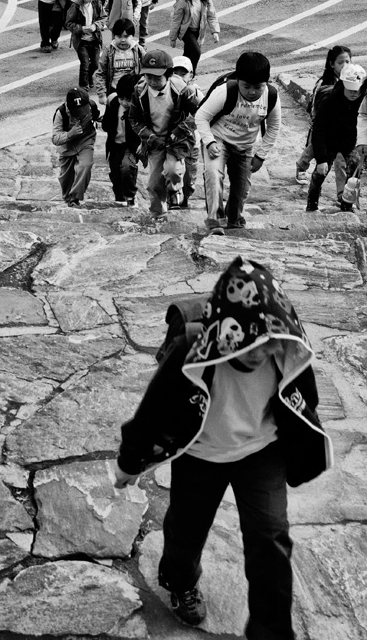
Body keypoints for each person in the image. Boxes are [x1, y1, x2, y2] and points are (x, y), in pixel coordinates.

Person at [114, 256, 333, 636]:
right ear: (224, 332)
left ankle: (271, 631)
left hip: (261, 450)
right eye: (247, 345)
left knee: (271, 537)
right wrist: (130, 462)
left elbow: (304, 402)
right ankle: (181, 582)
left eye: (266, 344)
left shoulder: (284, 351)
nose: (258, 353)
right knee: (185, 532)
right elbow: (153, 410)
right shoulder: (190, 352)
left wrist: (304, 451)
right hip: (201, 453)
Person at [195, 51, 281, 234]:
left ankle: (234, 222)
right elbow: (201, 116)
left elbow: (274, 127)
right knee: (213, 174)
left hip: (245, 146)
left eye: (258, 87)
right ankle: (216, 222)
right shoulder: (226, 91)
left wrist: (261, 155)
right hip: (219, 140)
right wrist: (209, 142)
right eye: (246, 86)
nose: (252, 92)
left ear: (266, 83)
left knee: (241, 190)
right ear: (238, 79)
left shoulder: (271, 96)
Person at [129, 48, 200, 215]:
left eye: (157, 77)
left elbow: (198, 113)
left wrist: (181, 130)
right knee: (153, 184)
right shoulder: (139, 92)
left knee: (172, 170)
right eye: (148, 76)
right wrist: (150, 137)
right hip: (154, 141)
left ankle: (176, 190)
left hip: (177, 139)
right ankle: (157, 213)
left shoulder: (181, 89)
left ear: (168, 75)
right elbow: (134, 120)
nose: (152, 81)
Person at [306, 63, 367, 213]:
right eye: (351, 90)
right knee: (319, 174)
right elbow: (319, 131)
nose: (354, 94)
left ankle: (347, 205)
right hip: (329, 142)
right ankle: (311, 205)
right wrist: (321, 159)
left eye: (357, 90)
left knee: (353, 176)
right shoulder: (329, 102)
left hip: (350, 143)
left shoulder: (362, 101)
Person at [295, 45, 351, 186]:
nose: (345, 66)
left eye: (348, 62)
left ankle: (340, 192)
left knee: (338, 159)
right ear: (332, 64)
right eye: (340, 62)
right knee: (313, 149)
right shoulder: (324, 84)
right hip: (323, 124)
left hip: (341, 127)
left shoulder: (352, 81)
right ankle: (302, 166)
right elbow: (315, 105)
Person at [52, 87, 101, 207]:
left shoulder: (91, 106)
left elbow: (97, 118)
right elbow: (55, 138)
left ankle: (75, 199)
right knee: (66, 178)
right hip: (67, 146)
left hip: (85, 141)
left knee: (86, 165)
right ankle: (68, 197)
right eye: (77, 112)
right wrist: (69, 134)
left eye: (83, 111)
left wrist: (100, 122)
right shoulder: (61, 113)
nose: (80, 115)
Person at [169, 0, 220, 74]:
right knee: (196, 52)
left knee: (188, 53)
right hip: (186, 31)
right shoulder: (183, 1)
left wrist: (215, 31)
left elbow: (212, 15)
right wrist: (172, 38)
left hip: (198, 32)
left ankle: (177, 72)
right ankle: (191, 73)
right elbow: (176, 20)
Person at [102, 73, 141, 205]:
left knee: (127, 167)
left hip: (130, 145)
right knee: (115, 174)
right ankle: (119, 197)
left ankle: (130, 196)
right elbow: (106, 125)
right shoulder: (113, 103)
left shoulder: (138, 109)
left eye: (128, 99)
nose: (124, 102)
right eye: (121, 98)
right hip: (114, 145)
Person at [171, 55, 204, 207]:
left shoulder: (195, 93)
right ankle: (175, 198)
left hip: (192, 142)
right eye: (175, 72)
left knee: (190, 175)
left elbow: (201, 115)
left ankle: (187, 196)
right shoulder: (168, 91)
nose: (179, 77)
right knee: (175, 171)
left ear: (191, 75)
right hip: (174, 142)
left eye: (183, 73)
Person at [66, 0, 107, 88]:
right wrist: (81, 29)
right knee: (84, 64)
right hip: (81, 41)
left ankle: (88, 77)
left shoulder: (97, 4)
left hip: (94, 39)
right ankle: (83, 85)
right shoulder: (75, 5)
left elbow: (104, 18)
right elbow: (68, 23)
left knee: (95, 63)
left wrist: (95, 26)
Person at [96, 17, 142, 106]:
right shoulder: (109, 51)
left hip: (133, 92)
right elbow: (101, 73)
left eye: (126, 36)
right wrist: (102, 94)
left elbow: (147, 69)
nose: (123, 40)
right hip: (114, 91)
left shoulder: (138, 50)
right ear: (114, 36)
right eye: (119, 36)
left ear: (132, 36)